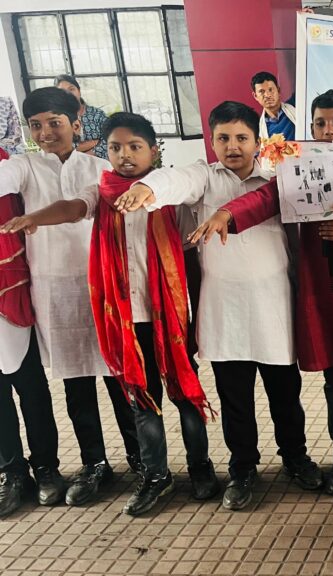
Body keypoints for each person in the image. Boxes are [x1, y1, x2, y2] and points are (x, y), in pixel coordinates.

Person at [191, 89, 333, 503]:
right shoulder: (297, 175)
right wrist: (228, 213)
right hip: (319, 298)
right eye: (320, 124)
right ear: (309, 129)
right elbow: (263, 198)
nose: (328, 131)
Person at [1, 112, 219, 516]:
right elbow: (73, 207)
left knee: (184, 393)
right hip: (125, 318)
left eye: (135, 147)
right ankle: (155, 476)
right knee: (141, 399)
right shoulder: (101, 191)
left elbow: (190, 191)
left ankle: (200, 467)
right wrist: (34, 218)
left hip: (168, 316)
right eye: (116, 148)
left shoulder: (168, 190)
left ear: (153, 151)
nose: (125, 155)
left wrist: (151, 189)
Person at [114, 101, 323, 510]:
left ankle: (296, 458)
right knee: (234, 399)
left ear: (257, 141)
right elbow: (176, 179)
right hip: (223, 309)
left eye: (242, 137)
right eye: (223, 138)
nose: (233, 146)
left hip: (274, 306)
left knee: (285, 394)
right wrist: (149, 189)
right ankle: (242, 468)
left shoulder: (277, 176)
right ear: (211, 141)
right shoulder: (205, 178)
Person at [0, 87, 139, 510]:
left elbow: (88, 208)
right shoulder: (24, 167)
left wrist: (33, 218)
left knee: (120, 379)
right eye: (36, 125)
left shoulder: (100, 166)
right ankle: (95, 464)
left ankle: (141, 461)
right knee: (77, 385)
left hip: (101, 285)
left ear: (75, 124)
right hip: (53, 292)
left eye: (54, 123)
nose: (46, 133)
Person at [0, 147, 62, 518]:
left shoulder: (8, 166)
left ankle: (46, 467)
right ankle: (12, 472)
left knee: (32, 389)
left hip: (11, 291)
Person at [54, 74, 108, 159]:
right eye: (63, 91)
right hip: (71, 165)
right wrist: (94, 142)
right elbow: (61, 148)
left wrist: (88, 155)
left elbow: (109, 139)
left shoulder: (97, 114)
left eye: (71, 89)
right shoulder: (57, 119)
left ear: (79, 91)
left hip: (101, 163)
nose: (68, 94)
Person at [252, 71, 297, 142]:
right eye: (261, 91)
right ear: (255, 96)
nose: (267, 95)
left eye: (270, 90)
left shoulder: (295, 106)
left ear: (278, 90)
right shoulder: (258, 129)